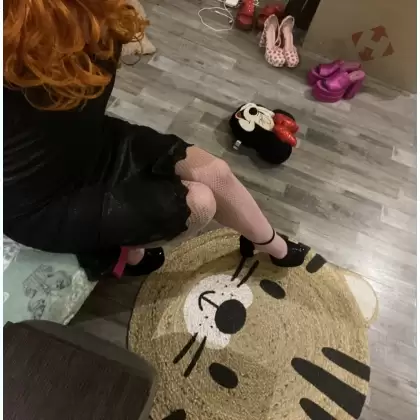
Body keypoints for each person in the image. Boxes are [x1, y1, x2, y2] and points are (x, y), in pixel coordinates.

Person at [4, 0, 306, 279]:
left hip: (88, 141)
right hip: (40, 200)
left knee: (215, 172)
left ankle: (270, 244)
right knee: (198, 203)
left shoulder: (97, 12)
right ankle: (125, 252)